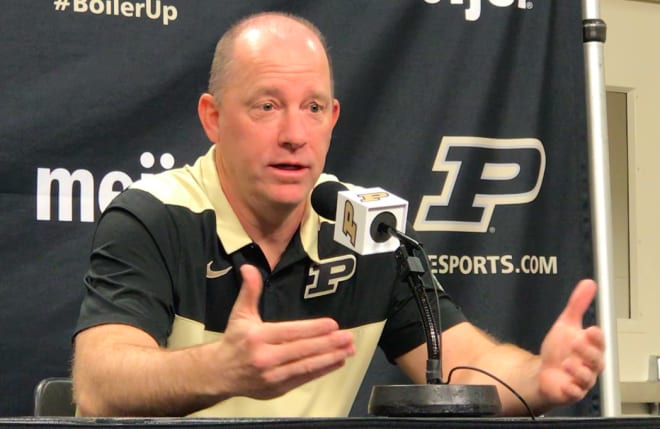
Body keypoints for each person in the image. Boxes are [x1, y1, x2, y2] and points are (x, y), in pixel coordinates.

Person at [71, 11, 605, 418]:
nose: (294, 135)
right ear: (212, 118)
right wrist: (222, 369)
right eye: (266, 106)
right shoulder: (153, 216)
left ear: (333, 119)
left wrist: (539, 376)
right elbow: (99, 383)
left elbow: (460, 361)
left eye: (313, 108)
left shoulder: (366, 228)